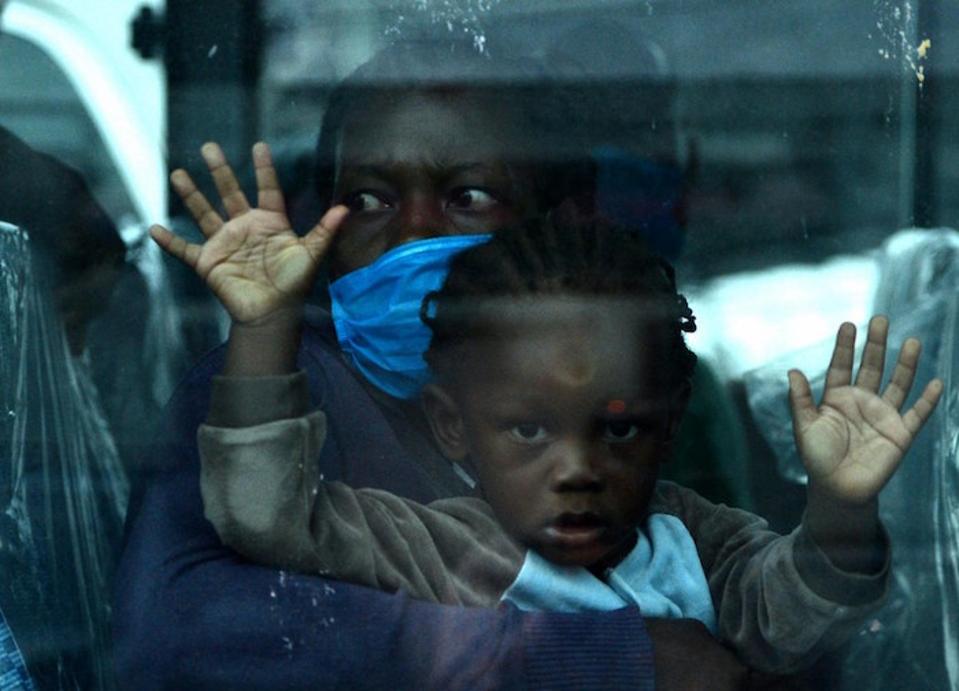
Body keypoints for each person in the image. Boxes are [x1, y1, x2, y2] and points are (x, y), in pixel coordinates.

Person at [116, 41, 752, 690]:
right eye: (368, 200)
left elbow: (765, 597)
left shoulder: (626, 395)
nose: (413, 234)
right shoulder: (268, 396)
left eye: (467, 196)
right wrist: (596, 654)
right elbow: (185, 637)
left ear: (556, 223)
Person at [174, 213, 941, 675]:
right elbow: (263, 513)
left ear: (668, 425)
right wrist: (264, 332)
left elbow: (794, 616)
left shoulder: (694, 541)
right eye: (528, 429)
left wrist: (841, 505)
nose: (576, 469)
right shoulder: (427, 543)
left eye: (616, 429)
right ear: (451, 426)